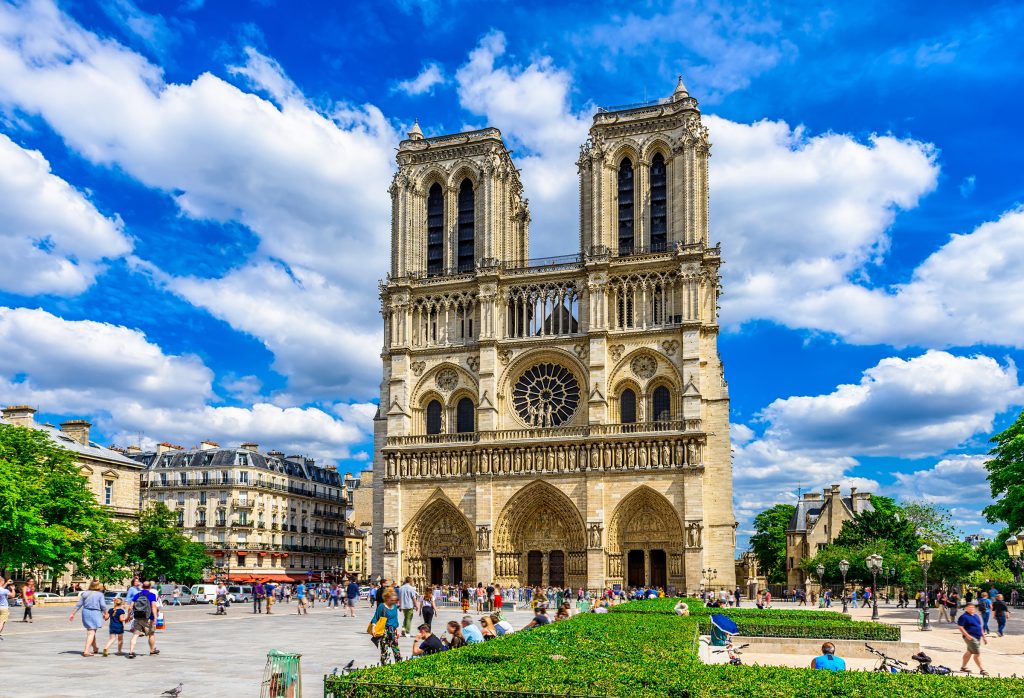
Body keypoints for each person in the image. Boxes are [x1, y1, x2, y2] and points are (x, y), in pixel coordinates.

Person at [69, 580, 108, 656]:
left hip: (86, 612)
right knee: (91, 632)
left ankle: (95, 648)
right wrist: (106, 613)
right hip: (95, 612)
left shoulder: (85, 594)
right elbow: (103, 605)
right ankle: (86, 651)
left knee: (91, 631)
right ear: (98, 586)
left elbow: (78, 605)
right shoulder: (100, 594)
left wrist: (72, 614)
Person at [127, 580, 159, 659]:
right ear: (150, 587)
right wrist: (155, 617)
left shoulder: (137, 595)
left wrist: (128, 616)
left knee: (135, 635)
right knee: (151, 634)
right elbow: (154, 607)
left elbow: (130, 607)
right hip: (149, 618)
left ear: (142, 587)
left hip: (137, 617)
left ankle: (131, 651)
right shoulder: (152, 595)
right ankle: (152, 650)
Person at [369, 591, 401, 665]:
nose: (393, 601)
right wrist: (373, 628)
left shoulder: (395, 606)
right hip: (384, 631)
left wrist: (397, 630)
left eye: (394, 600)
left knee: (396, 650)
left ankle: (399, 666)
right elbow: (375, 617)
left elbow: (395, 619)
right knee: (384, 651)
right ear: (387, 598)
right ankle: (384, 666)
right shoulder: (381, 606)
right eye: (392, 600)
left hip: (393, 631)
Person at [956, 601, 988, 675]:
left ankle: (963, 667)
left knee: (969, 652)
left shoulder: (976, 616)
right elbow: (960, 627)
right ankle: (982, 670)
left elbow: (980, 627)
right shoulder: (963, 617)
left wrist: (984, 637)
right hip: (970, 638)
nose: (972, 608)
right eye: (970, 607)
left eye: (973, 607)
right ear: (966, 608)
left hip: (978, 637)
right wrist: (967, 635)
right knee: (977, 653)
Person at [0, 576, 12, 640]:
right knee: (2, 622)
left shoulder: (2, 590)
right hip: (3, 608)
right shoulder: (5, 591)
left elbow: (1, 589)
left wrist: (6, 583)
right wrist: (13, 589)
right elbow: (12, 595)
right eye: (3, 581)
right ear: (1, 582)